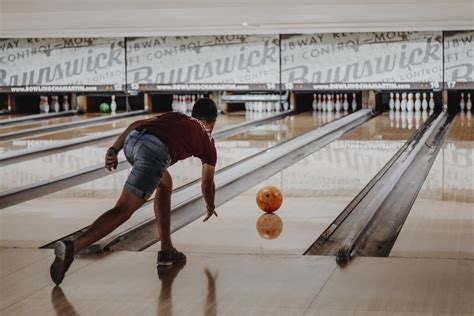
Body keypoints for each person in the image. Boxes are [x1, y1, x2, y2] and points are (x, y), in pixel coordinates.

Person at [50, 98, 219, 285]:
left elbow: (136, 124)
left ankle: (166, 249)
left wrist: (114, 149)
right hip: (154, 152)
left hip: (132, 142)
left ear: (193, 114)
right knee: (124, 209)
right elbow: (207, 184)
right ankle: (72, 248)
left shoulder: (177, 116)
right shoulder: (207, 139)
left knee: (164, 183)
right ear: (213, 122)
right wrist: (210, 205)